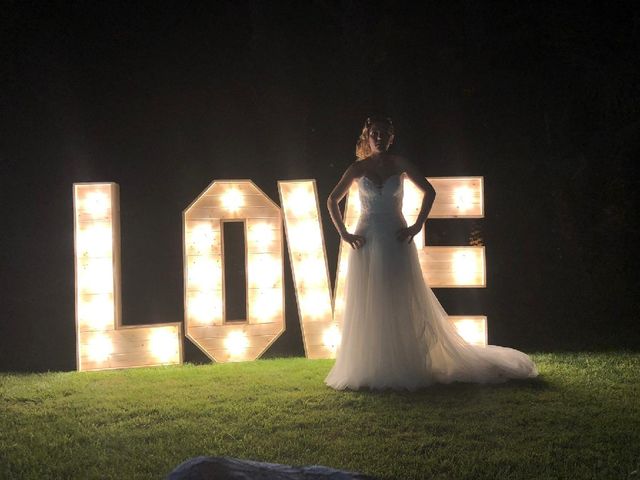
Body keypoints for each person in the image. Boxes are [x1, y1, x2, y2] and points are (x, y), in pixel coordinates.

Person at [324, 116, 538, 391]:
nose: (378, 137)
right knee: (369, 300)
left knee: (399, 297)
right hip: (366, 240)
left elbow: (430, 191)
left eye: (384, 134)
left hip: (396, 238)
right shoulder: (357, 168)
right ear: (367, 136)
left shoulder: (401, 164)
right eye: (374, 133)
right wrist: (343, 233)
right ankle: (368, 365)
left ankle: (401, 362)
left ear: (391, 138)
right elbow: (332, 200)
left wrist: (415, 226)